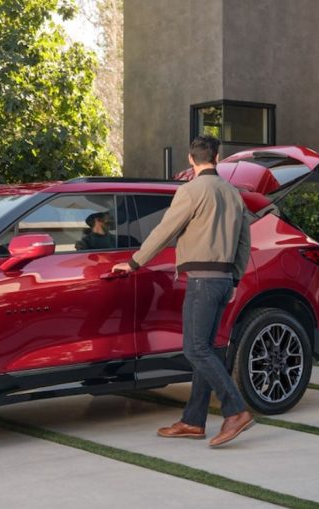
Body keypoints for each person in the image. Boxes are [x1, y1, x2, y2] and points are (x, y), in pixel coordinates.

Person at [112, 135, 253, 447]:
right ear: (218, 156)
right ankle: (193, 420)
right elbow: (244, 242)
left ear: (191, 160)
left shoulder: (190, 191)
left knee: (195, 349)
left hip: (201, 281)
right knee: (205, 348)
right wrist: (234, 279)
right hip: (222, 281)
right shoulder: (233, 194)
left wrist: (134, 262)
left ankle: (236, 410)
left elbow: (165, 229)